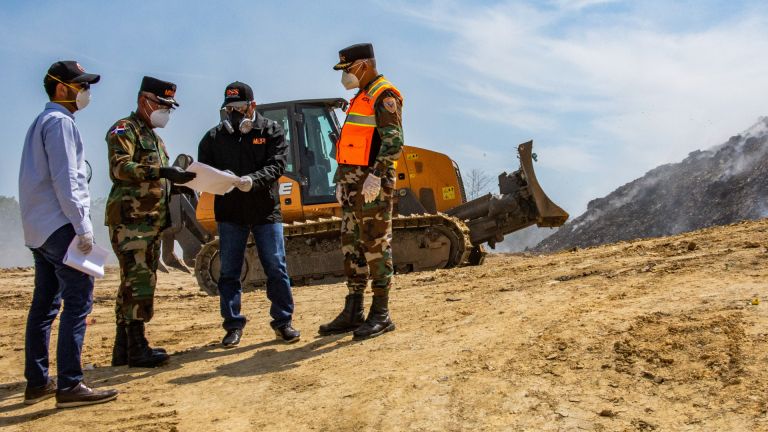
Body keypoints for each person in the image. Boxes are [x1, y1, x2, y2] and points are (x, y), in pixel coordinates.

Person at [19, 60, 118, 408]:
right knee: (78, 301)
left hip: (39, 229)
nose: (86, 92)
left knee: (45, 306)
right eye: (82, 85)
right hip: (61, 226)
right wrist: (84, 228)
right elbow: (68, 181)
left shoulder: (40, 122)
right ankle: (70, 385)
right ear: (62, 89)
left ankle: (37, 381)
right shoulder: (61, 124)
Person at [198, 81, 299, 347]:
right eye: (229, 108)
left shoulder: (271, 130)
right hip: (230, 213)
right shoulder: (213, 138)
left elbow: (277, 165)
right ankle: (232, 326)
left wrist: (252, 180)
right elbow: (204, 173)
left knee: (276, 267)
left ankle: (283, 322)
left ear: (252, 106)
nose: (234, 113)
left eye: (239, 107)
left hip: (265, 211)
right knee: (229, 271)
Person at [106, 76, 196, 367]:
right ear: (144, 100)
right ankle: (137, 348)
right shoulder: (125, 129)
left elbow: (158, 178)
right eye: (162, 105)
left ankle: (123, 349)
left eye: (170, 107)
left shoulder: (155, 138)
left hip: (149, 221)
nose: (166, 112)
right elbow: (121, 167)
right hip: (131, 220)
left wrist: (177, 182)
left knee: (133, 282)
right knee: (139, 281)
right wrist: (163, 173)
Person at [319, 43, 404, 339]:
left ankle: (381, 313)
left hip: (372, 187)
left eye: (349, 69)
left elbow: (393, 142)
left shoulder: (384, 95)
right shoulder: (361, 97)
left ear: (365, 65)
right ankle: (353, 310)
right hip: (353, 186)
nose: (346, 76)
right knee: (352, 246)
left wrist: (376, 177)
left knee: (376, 244)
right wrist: (342, 183)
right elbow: (351, 147)